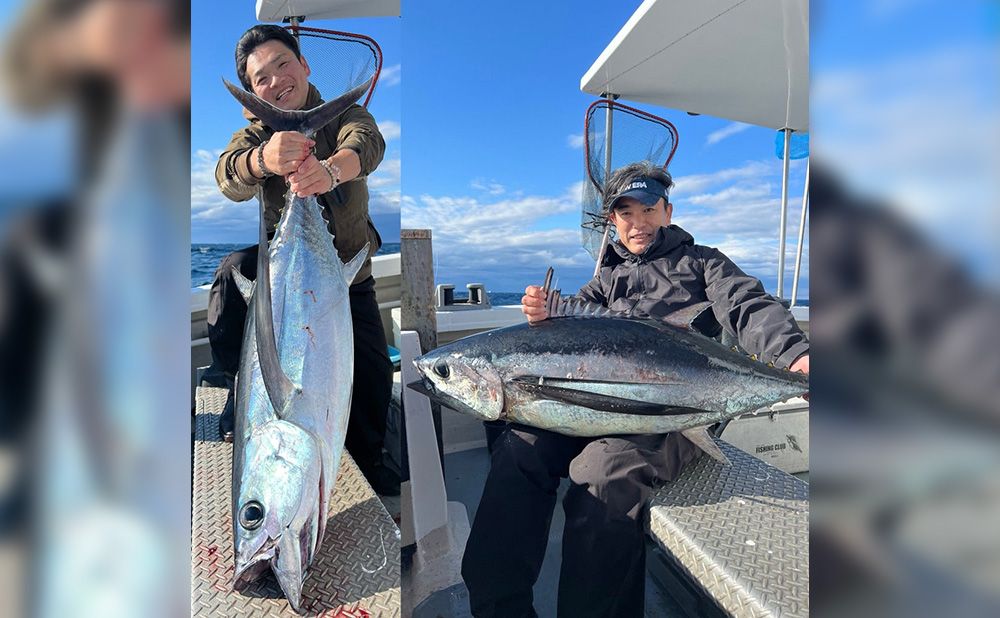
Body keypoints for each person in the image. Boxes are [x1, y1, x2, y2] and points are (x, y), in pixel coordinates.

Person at [461, 161, 809, 617]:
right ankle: (498, 607)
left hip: (677, 415)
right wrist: (545, 312)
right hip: (599, 405)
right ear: (613, 221)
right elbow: (576, 315)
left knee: (602, 471)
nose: (637, 223)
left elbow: (749, 305)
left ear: (668, 211)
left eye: (647, 209)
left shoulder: (704, 263)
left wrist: (796, 357)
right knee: (519, 448)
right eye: (625, 213)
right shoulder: (608, 276)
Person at [203, 25, 398, 495]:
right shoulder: (255, 133)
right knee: (232, 271)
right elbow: (226, 176)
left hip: (349, 279)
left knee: (372, 383)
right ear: (253, 94)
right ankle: (238, 384)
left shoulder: (347, 114)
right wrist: (263, 160)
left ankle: (368, 464)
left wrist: (330, 171)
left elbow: (368, 144)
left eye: (282, 64)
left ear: (305, 66)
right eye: (260, 79)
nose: (275, 80)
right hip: (285, 280)